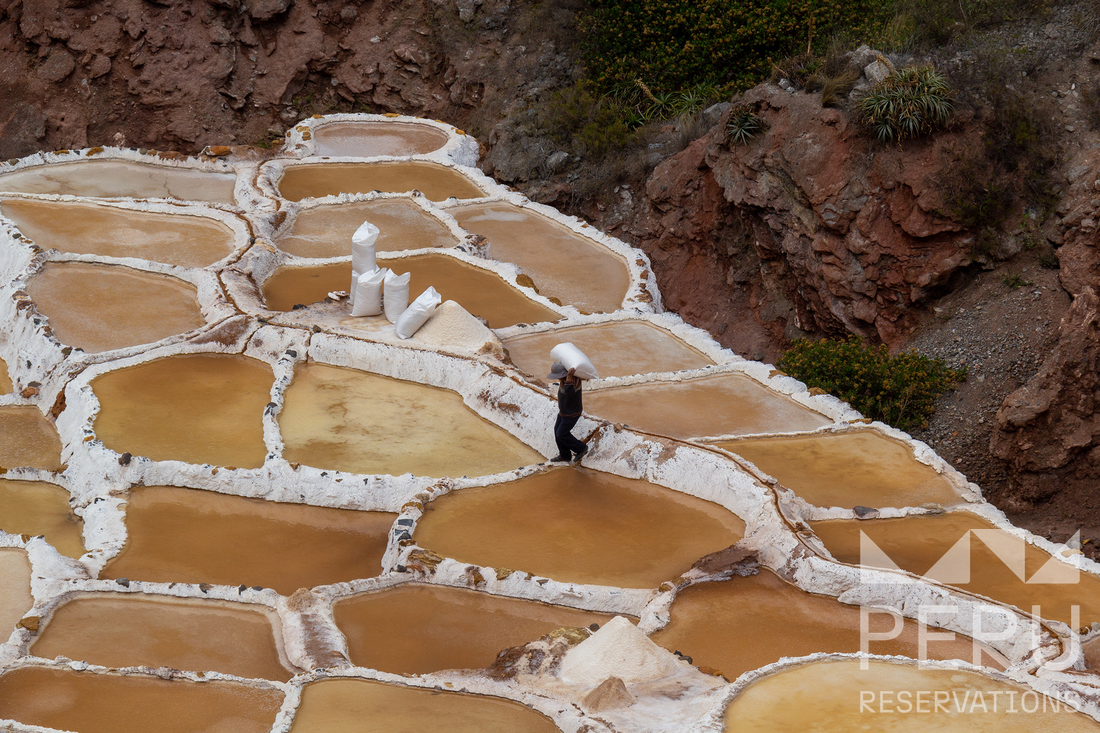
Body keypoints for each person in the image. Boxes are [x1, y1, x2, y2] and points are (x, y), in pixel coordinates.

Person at [548, 361, 588, 463]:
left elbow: (569, 391)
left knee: (562, 434)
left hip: (571, 413)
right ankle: (565, 455)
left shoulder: (573, 380)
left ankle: (581, 448)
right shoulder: (565, 379)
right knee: (557, 432)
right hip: (564, 412)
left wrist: (569, 376)